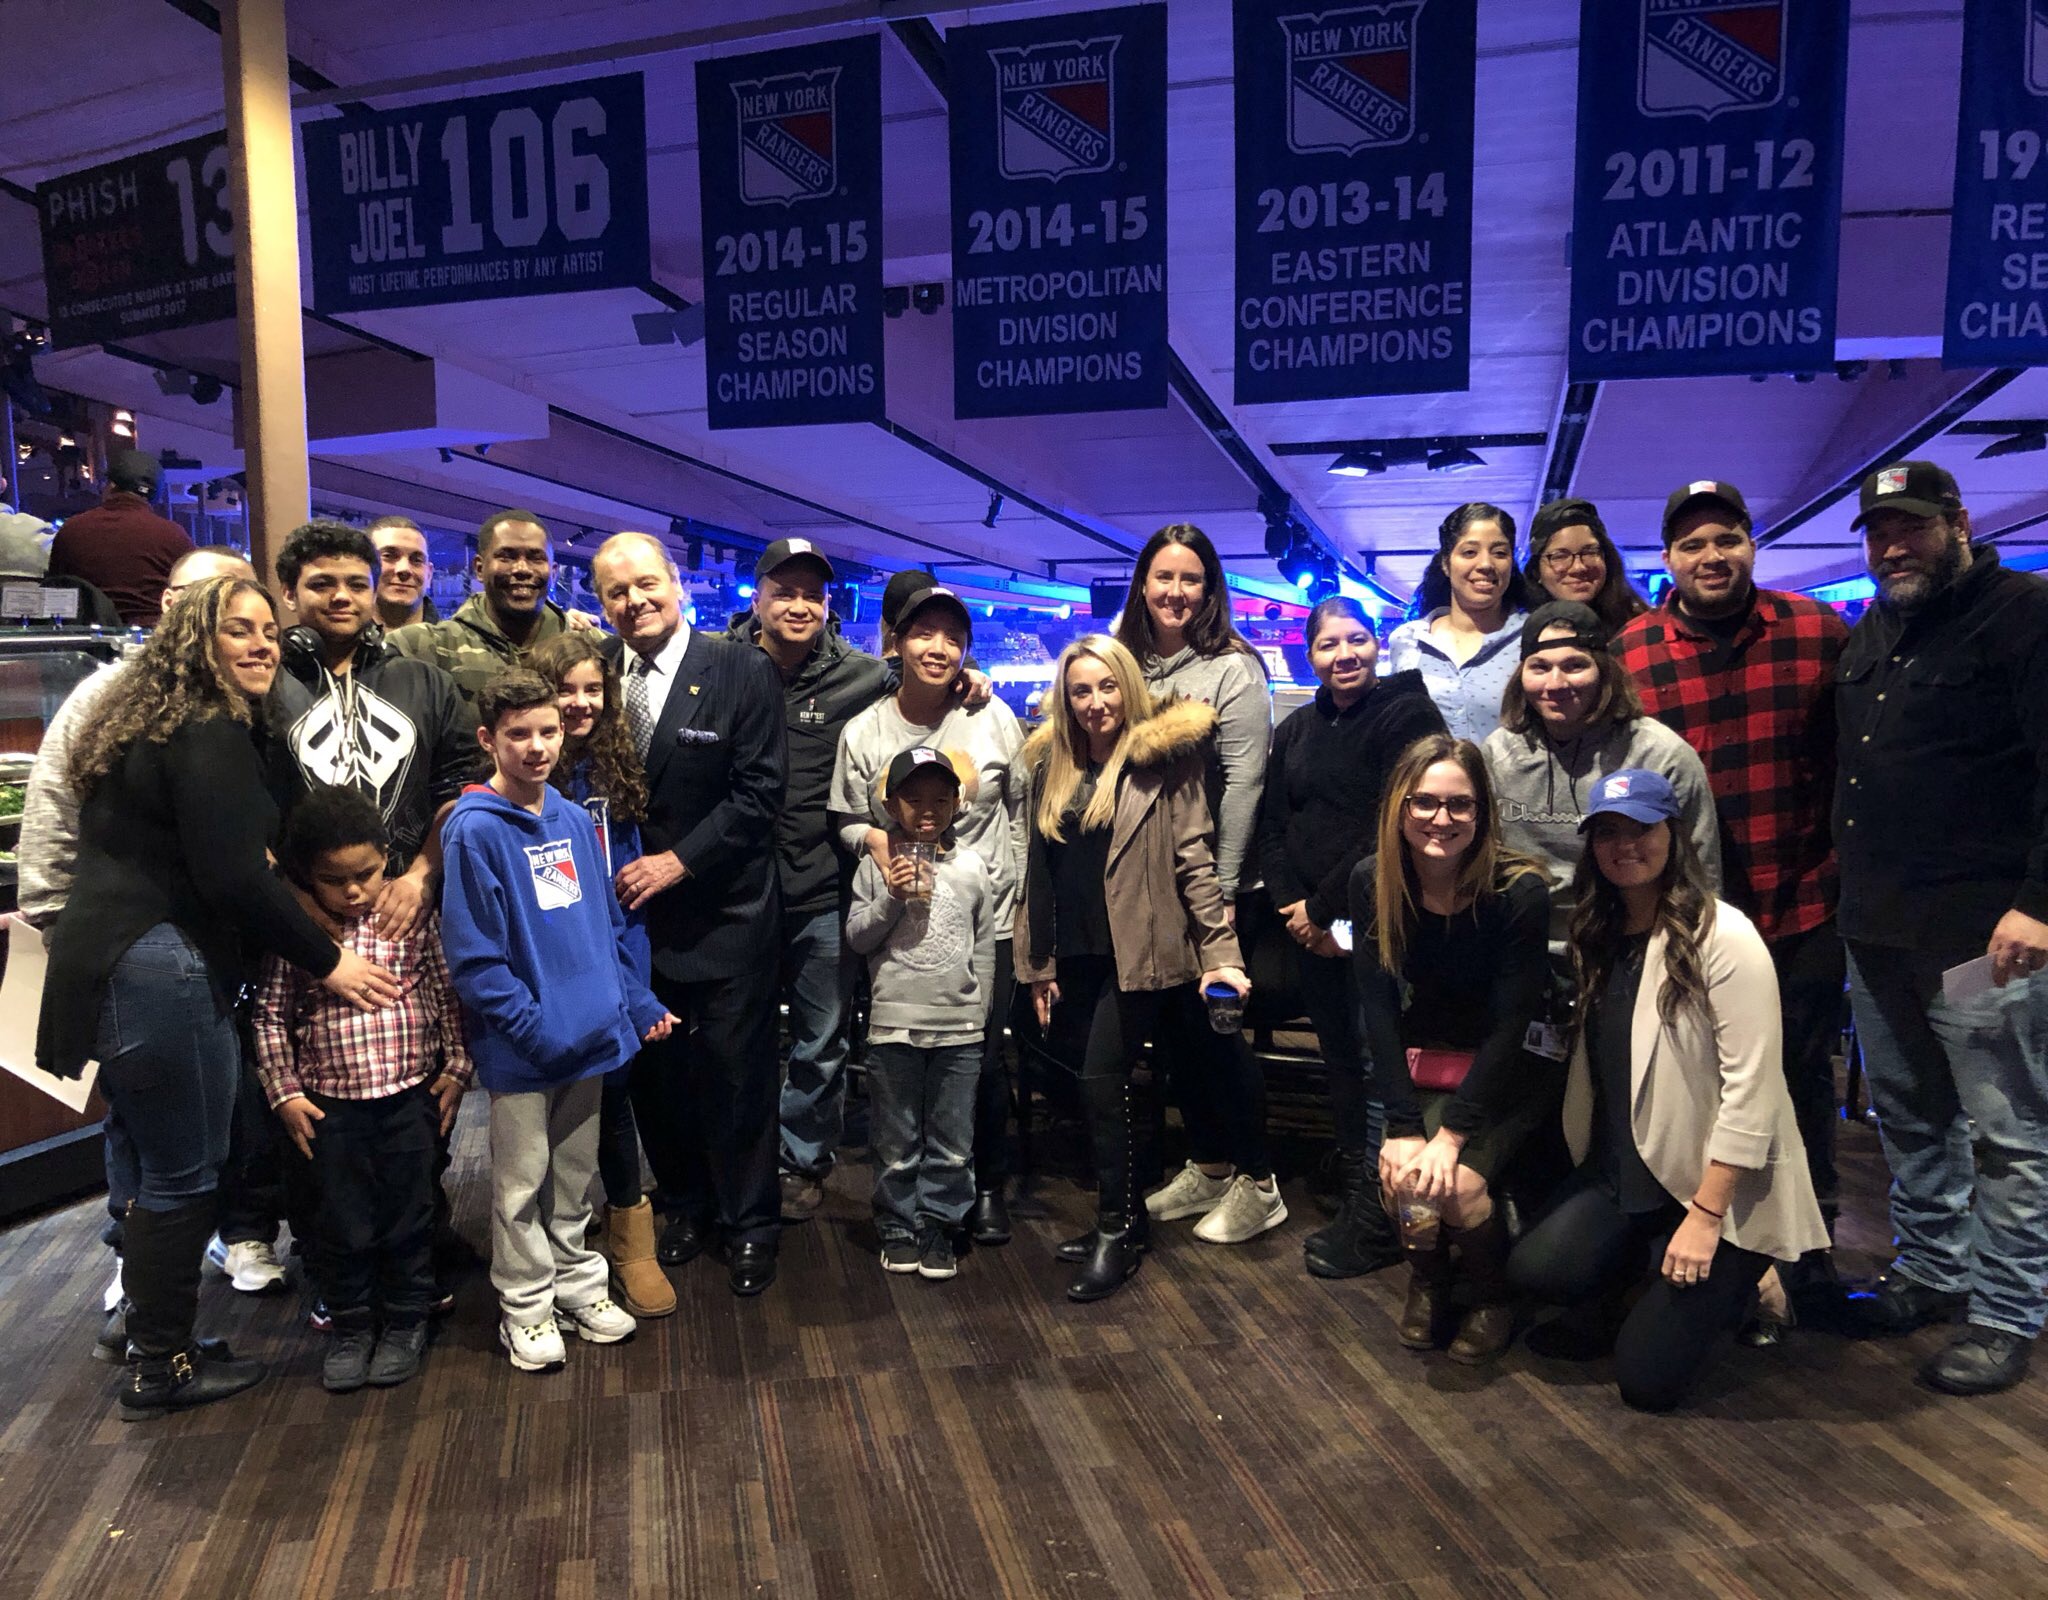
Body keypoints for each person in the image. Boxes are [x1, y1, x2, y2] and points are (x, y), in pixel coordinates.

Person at [35, 575, 401, 1419]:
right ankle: (161, 1366)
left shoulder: (175, 722)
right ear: (192, 641)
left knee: (148, 1161)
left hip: (124, 965)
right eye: (238, 630)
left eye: (269, 630)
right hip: (158, 968)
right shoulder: (206, 729)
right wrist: (328, 961)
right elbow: (235, 875)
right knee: (181, 1176)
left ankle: (141, 1332)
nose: (261, 644)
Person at [1509, 770, 1828, 1412]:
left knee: (1646, 1381)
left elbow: (1754, 1090)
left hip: (1714, 1192)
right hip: (1626, 1171)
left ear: (1673, 835)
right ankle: (1642, 1272)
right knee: (1537, 1271)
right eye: (1608, 832)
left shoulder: (1725, 937)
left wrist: (1707, 1218)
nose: (1624, 845)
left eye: (1641, 829)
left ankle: (1755, 1278)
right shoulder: (1596, 934)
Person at [1834, 461, 2048, 1395]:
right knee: (1914, 1119)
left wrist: (2041, 902)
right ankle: (1930, 1271)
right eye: (1879, 533)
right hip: (1877, 926)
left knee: (2009, 1134)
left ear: (1958, 523)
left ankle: (2006, 1313)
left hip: (1983, 936)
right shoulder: (1876, 627)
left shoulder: (2025, 614)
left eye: (1912, 527)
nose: (1893, 546)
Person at [1614, 480, 1849, 1301]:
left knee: (1798, 1075)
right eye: (1692, 545)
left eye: (1728, 539)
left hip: (1800, 898)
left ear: (1752, 544)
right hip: (1687, 909)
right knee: (1703, 1074)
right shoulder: (1632, 651)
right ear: (1669, 559)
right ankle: (1711, 1238)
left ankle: (1806, 1252)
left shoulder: (1818, 631)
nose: (1712, 556)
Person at [16, 547, 256, 1330]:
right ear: (171, 608)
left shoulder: (228, 701)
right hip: (145, 956)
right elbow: (52, 810)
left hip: (202, 954)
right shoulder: (113, 693)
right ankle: (150, 1317)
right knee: (159, 1148)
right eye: (202, 605)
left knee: (186, 1137)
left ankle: (167, 1304)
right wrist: (61, 922)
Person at [439, 669, 674, 1373]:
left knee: (573, 1184)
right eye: (519, 735)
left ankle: (576, 1285)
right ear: (490, 740)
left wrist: (636, 1004)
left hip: (592, 1044)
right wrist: (539, 1035)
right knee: (518, 1188)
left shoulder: (573, 819)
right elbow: (476, 962)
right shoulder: (472, 832)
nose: (537, 747)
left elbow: (601, 928)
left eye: (547, 732)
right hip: (525, 1052)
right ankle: (526, 1307)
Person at [1015, 636, 1250, 1301]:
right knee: (1086, 1084)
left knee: (1101, 1081)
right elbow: (1039, 873)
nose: (1096, 702)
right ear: (1066, 698)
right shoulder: (1047, 766)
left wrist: (1221, 955)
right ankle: (1129, 1219)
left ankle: (1116, 1230)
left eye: (1107, 686)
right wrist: (1038, 963)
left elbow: (1195, 865)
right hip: (1074, 957)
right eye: (1081, 690)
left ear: (1128, 687)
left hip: (1137, 954)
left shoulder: (1162, 765)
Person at [590, 531, 789, 1297]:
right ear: (600, 604)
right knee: (659, 1079)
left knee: (736, 1079)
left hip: (725, 913)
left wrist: (680, 861)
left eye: (646, 584)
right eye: (616, 592)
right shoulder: (597, 675)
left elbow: (760, 792)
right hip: (635, 926)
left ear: (677, 584)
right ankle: (687, 1204)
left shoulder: (740, 668)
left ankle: (750, 1224)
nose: (635, 602)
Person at [251, 787, 472, 1394]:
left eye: (367, 874)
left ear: (386, 858)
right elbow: (270, 1016)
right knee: (338, 1220)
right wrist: (284, 1091)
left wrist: (456, 1066)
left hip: (409, 1097)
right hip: (329, 1107)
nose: (354, 892)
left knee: (410, 1213)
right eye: (334, 880)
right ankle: (351, 1324)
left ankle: (405, 1322)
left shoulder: (409, 918)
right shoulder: (296, 932)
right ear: (304, 878)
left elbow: (446, 993)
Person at [1347, 735, 1556, 1365]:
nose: (1442, 819)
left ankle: (1491, 1298)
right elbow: (1377, 1010)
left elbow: (1513, 1023)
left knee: (1457, 1188)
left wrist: (1452, 1136)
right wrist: (1404, 1128)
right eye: (1425, 803)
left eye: (1460, 805)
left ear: (1483, 812)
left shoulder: (1519, 890)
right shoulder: (1373, 881)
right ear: (1400, 809)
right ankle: (1431, 1281)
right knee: (1403, 1181)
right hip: (1431, 1052)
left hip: (1517, 1058)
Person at [1254, 597, 1445, 1278]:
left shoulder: (1405, 714)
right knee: (1339, 1061)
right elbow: (1274, 824)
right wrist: (1292, 908)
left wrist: (1328, 909)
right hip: (1311, 926)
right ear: (1310, 656)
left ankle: (1391, 1213)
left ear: (1377, 645)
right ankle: (1361, 1194)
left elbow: (1392, 821)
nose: (1345, 655)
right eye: (1329, 645)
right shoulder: (1300, 726)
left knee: (1382, 1068)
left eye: (1358, 640)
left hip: (1378, 921)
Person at [832, 585, 1025, 1242]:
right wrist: (882, 845)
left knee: (981, 1054)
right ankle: (906, 1199)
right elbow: (846, 821)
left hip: (986, 914)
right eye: (923, 633)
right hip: (902, 922)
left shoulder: (991, 712)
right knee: (904, 1065)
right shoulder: (866, 731)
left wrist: (1020, 895)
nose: (937, 647)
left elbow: (1020, 810)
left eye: (951, 636)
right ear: (895, 642)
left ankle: (985, 1185)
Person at [1111, 524, 1280, 1244]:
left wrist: (1226, 887)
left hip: (1209, 885)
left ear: (1210, 590)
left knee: (1220, 1037)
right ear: (1143, 585)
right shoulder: (1125, 664)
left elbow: (1244, 782)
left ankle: (1260, 1180)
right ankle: (1208, 1164)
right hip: (1149, 891)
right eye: (1164, 577)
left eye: (1191, 579)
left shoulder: (1231, 669)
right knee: (1180, 1039)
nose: (1176, 591)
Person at [723, 540, 891, 1224]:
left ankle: (801, 1159)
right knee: (740, 1034)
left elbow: (921, 688)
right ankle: (738, 1157)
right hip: (737, 891)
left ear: (827, 606)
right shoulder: (722, 666)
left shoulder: (862, 675)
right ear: (756, 598)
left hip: (824, 889)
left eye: (811, 596)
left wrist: (970, 681)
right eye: (783, 592)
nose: (798, 605)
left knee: (821, 1040)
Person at [528, 631, 673, 1321]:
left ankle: (630, 1238)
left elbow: (621, 893)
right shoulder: (531, 779)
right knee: (549, 1112)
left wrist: (634, 988)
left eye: (594, 689)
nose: (582, 703)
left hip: (620, 956)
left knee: (614, 1099)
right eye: (568, 690)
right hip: (557, 962)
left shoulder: (615, 769)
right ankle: (555, 1249)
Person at [1483, 601, 1721, 959]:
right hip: (1521, 948)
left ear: (1605, 671)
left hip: (1630, 947)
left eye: (1575, 665)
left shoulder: (1661, 755)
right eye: (1540, 667)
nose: (1556, 683)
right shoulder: (1496, 754)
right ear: (1521, 676)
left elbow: (1701, 874)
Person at [846, 746, 996, 1281]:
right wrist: (890, 897)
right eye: (913, 799)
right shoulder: (876, 865)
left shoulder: (973, 866)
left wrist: (983, 1015)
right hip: (893, 1026)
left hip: (959, 1028)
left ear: (958, 802)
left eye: (940, 797)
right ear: (890, 805)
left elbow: (983, 948)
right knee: (895, 1138)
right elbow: (858, 939)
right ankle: (896, 1225)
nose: (928, 809)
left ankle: (942, 1224)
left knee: (953, 1142)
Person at [388, 509, 585, 720]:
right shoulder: (425, 648)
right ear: (479, 569)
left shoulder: (587, 647)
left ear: (553, 572)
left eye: (535, 558)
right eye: (506, 557)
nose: (522, 569)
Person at [1386, 503, 1536, 744]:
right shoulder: (1407, 640)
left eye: (1499, 552)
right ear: (1446, 563)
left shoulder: (1533, 636)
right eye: (1469, 552)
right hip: (1427, 782)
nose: (1486, 564)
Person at [46, 448, 193, 626]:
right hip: (153, 641)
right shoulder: (174, 535)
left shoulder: (72, 529)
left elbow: (56, 587)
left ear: (111, 486)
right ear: (155, 495)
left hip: (87, 640)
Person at [1522, 497, 1647, 635]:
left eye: (1589, 552)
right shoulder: (1520, 636)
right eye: (1560, 556)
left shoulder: (1641, 629)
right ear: (1536, 572)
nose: (1578, 567)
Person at [368, 514, 438, 629]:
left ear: (429, 575)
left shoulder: (456, 645)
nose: (404, 569)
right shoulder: (335, 644)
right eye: (389, 556)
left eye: (417, 560)